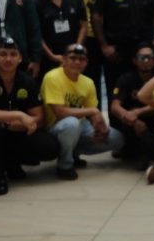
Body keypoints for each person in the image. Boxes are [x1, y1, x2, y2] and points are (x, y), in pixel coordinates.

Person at [0, 36, 59, 195]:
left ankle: (12, 163)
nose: (8, 59)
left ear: (20, 58)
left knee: (50, 147)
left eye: (13, 54)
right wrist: (17, 115)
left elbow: (39, 118)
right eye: (3, 54)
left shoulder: (27, 80)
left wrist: (20, 123)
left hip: (17, 131)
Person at [42, 43, 124, 179]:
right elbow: (60, 112)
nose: (77, 62)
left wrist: (100, 128)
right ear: (64, 59)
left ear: (86, 62)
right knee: (71, 123)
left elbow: (93, 114)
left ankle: (73, 153)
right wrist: (93, 111)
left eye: (81, 59)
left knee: (116, 138)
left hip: (79, 126)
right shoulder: (52, 77)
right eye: (73, 58)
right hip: (54, 127)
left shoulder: (88, 82)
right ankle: (65, 165)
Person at [71, 0, 115, 104]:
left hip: (109, 34)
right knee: (91, 80)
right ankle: (93, 114)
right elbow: (76, 4)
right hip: (88, 35)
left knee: (111, 79)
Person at [109, 43, 154, 158]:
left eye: (149, 57)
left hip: (151, 124)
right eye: (142, 57)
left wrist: (138, 112)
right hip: (128, 125)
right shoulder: (125, 79)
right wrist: (133, 121)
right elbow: (115, 106)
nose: (146, 61)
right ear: (135, 61)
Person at [35, 0, 86, 76]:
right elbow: (36, 33)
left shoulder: (76, 0)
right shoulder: (38, 3)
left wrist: (75, 50)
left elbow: (83, 26)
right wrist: (52, 56)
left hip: (75, 57)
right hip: (49, 57)